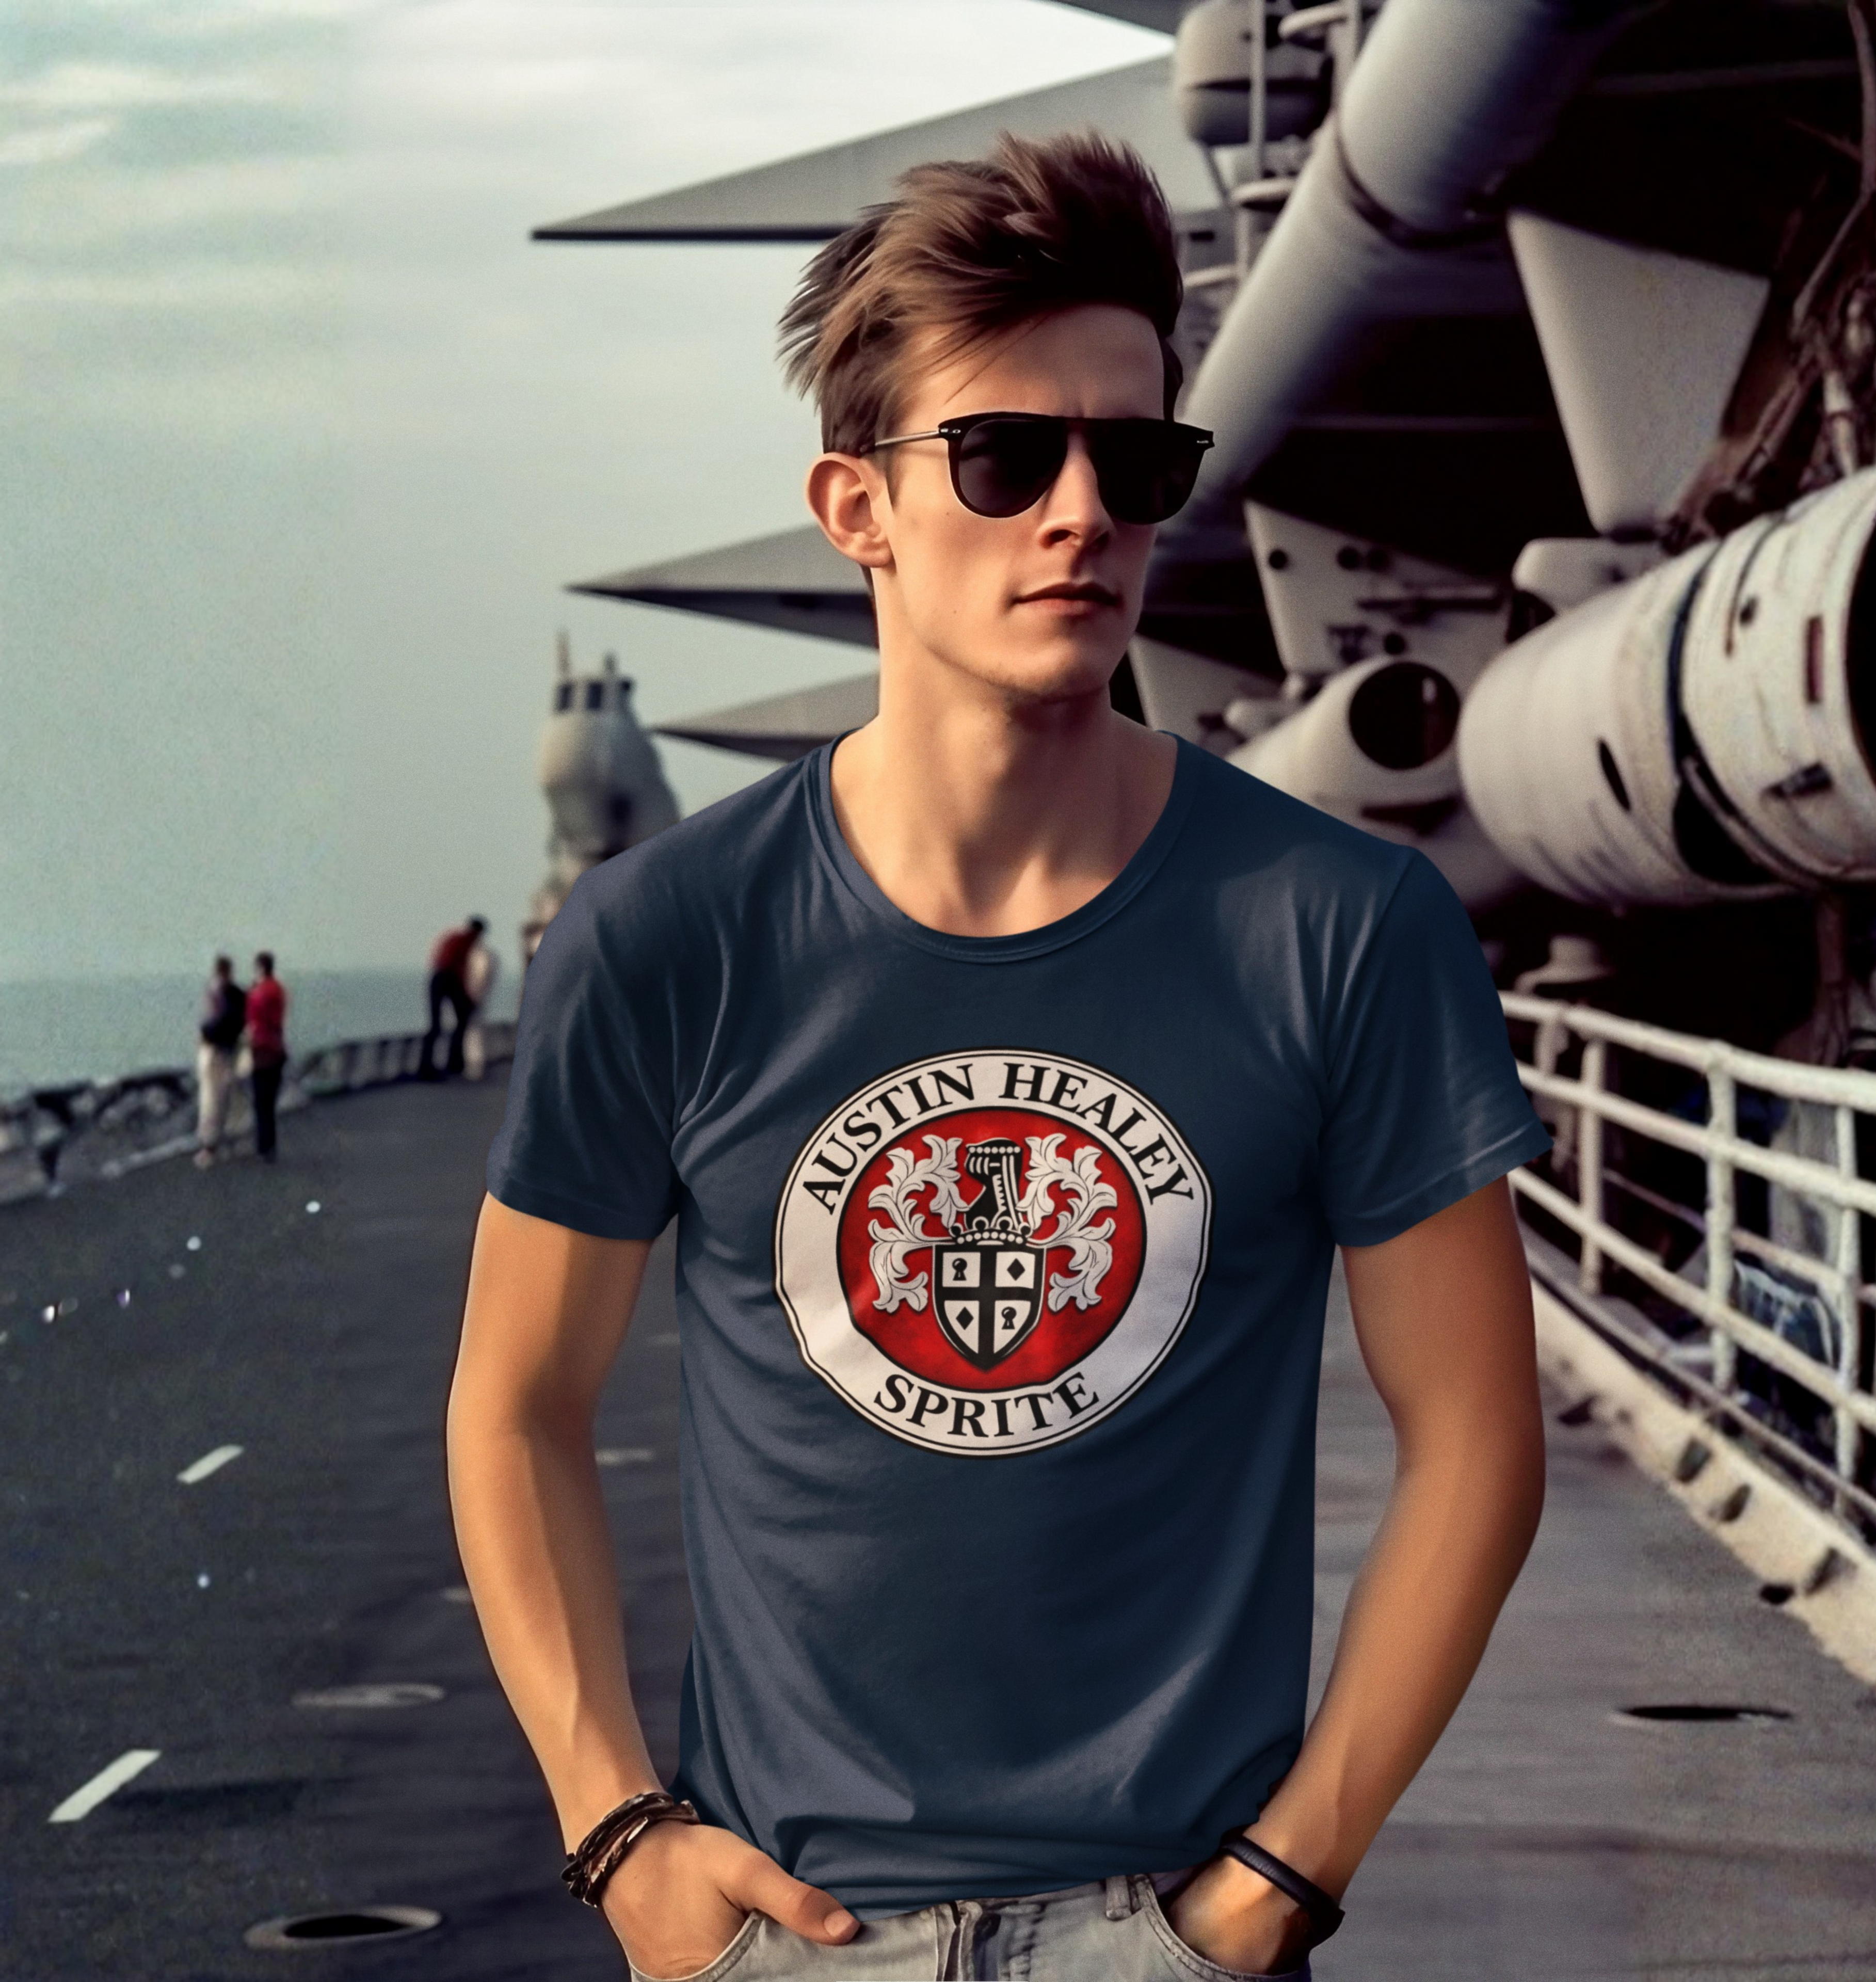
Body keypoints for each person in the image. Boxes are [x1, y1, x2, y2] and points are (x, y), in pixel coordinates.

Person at [450, 134, 1552, 1982]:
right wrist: (621, 1831)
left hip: (1174, 1931)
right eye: (1002, 453)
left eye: (1136, 459)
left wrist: (1285, 1879)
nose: (1080, 511)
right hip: (787, 1936)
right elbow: (513, 1405)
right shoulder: (667, 939)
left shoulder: (1341, 923)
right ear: (855, 505)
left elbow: (1478, 1434)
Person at [192, 955, 247, 1169]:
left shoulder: (223, 992)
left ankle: (210, 1147)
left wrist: (206, 1032)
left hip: (217, 1050)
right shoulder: (237, 993)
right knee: (231, 1098)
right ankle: (234, 1141)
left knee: (211, 1099)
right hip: (231, 1049)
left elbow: (222, 1020)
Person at [421, 916, 488, 1080]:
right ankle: (449, 1064)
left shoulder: (452, 937)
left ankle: (432, 1066)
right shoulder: (466, 942)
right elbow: (460, 968)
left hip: (438, 977)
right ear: (477, 932)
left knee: (438, 1023)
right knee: (458, 1021)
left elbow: (438, 957)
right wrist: (468, 995)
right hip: (448, 979)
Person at [244, 951, 286, 1162]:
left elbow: (252, 1018)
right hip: (277, 1048)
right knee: (269, 1102)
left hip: (261, 1050)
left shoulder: (259, 992)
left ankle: (264, 1147)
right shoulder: (278, 989)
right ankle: (270, 1146)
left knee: (261, 1102)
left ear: (260, 967)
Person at [461, 929, 500, 1082]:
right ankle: (476, 1065)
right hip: (479, 996)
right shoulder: (489, 955)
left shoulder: (479, 956)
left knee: (473, 1031)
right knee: (475, 1030)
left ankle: (475, 1066)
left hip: (475, 996)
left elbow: (481, 977)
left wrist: (473, 993)